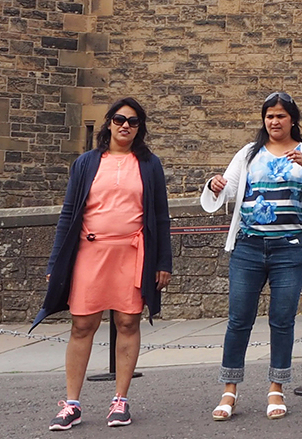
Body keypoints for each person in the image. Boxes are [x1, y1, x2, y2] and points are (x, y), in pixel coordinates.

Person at [34, 98, 173, 430]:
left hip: (132, 252)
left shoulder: (149, 165)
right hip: (90, 252)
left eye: (133, 121)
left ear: (140, 129)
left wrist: (163, 261)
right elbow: (68, 214)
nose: (125, 125)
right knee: (82, 325)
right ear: (109, 122)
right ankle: (71, 404)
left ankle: (120, 400)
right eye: (119, 119)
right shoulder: (86, 163)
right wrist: (56, 261)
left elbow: (161, 217)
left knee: (128, 322)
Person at [201, 91, 302, 421]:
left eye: (280, 116)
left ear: (293, 120)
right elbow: (226, 189)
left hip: (289, 249)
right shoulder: (248, 153)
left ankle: (276, 387)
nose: (274, 121)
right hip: (248, 247)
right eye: (269, 116)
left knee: (282, 319)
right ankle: (229, 390)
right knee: (239, 319)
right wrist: (215, 184)